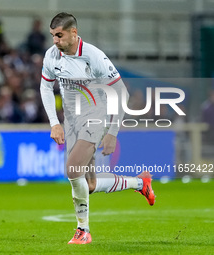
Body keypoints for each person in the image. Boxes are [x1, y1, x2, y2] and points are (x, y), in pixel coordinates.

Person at [40, 12, 155, 245]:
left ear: (74, 33)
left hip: (95, 116)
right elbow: (45, 87)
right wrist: (55, 123)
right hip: (71, 120)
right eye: (52, 36)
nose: (55, 41)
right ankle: (140, 183)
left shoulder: (94, 57)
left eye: (59, 35)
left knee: (73, 170)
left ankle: (83, 230)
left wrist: (112, 132)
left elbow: (121, 92)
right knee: (89, 185)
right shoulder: (52, 55)